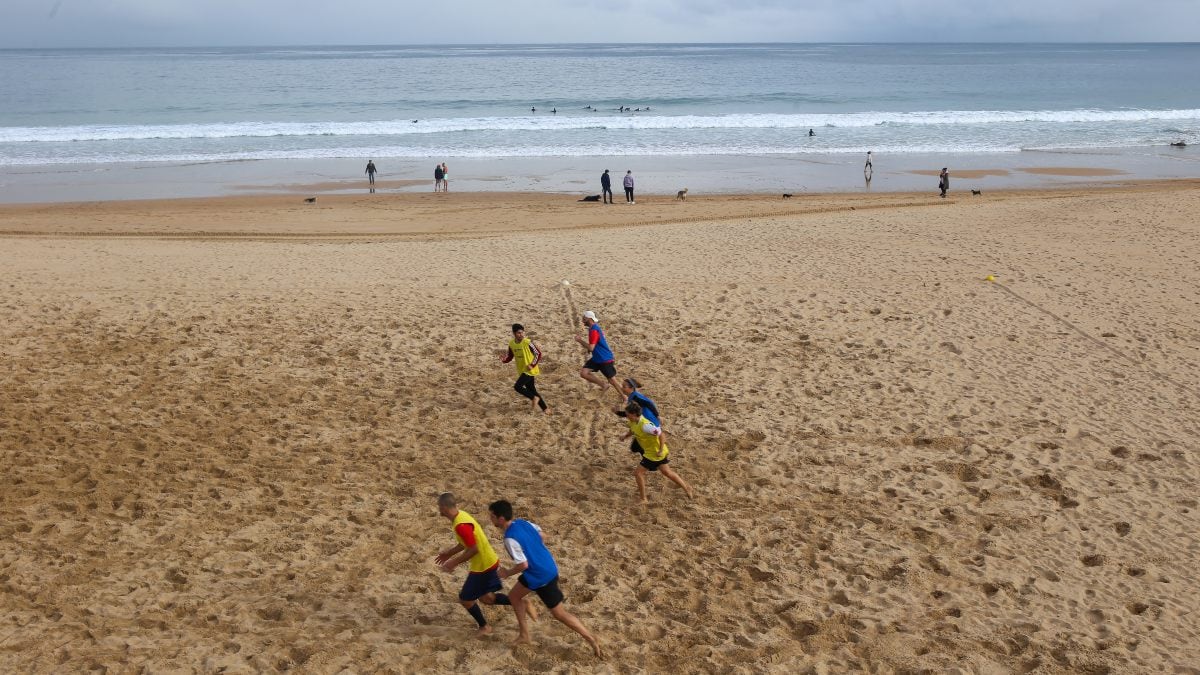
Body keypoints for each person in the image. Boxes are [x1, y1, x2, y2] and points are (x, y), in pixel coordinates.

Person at [487, 500, 603, 657]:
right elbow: (542, 535)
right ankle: (524, 635)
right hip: (549, 566)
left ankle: (590, 638)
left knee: (559, 614)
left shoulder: (509, 538)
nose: (490, 519)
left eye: (492, 516)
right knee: (514, 596)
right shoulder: (522, 522)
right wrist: (533, 548)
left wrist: (507, 573)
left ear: (500, 519)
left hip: (539, 575)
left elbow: (523, 565)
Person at [434, 492, 535, 637]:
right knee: (486, 598)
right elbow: (466, 543)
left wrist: (454, 562)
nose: (439, 509)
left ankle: (484, 627)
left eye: (439, 507)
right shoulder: (461, 515)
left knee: (465, 599)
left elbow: (474, 549)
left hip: (483, 566)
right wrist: (449, 554)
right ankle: (521, 603)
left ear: (444, 507)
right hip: (488, 561)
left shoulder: (461, 525)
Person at [622, 402, 693, 503]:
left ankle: (643, 498)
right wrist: (625, 436)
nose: (626, 416)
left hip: (655, 454)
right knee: (667, 472)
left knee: (638, 473)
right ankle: (687, 487)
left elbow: (661, 435)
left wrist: (660, 450)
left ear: (634, 414)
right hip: (651, 452)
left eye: (628, 414)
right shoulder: (633, 421)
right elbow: (632, 430)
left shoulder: (646, 426)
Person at [501, 323, 549, 414]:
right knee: (532, 389)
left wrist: (532, 364)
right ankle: (546, 409)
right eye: (519, 333)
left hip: (530, 370)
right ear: (514, 333)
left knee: (517, 386)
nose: (522, 334)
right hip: (522, 370)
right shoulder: (511, 343)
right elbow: (510, 356)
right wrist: (504, 360)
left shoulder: (528, 342)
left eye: (522, 332)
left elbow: (538, 354)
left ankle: (534, 398)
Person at [575, 310, 623, 400]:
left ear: (589, 319)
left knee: (612, 380)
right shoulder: (593, 328)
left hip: (604, 359)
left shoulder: (594, 330)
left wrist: (579, 340)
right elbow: (595, 345)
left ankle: (625, 397)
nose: (582, 321)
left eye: (584, 319)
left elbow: (591, 348)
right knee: (584, 373)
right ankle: (603, 385)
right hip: (597, 358)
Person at [612, 378, 661, 456]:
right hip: (644, 423)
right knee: (636, 447)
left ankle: (650, 460)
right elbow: (630, 413)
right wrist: (617, 412)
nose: (622, 388)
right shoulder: (632, 396)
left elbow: (649, 404)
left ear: (631, 388)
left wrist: (657, 415)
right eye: (622, 386)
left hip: (650, 423)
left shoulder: (636, 397)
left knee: (637, 447)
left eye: (624, 386)